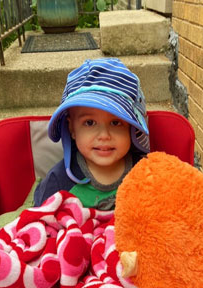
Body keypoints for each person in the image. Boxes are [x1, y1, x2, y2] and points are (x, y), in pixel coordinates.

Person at [33, 57, 150, 210]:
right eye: (89, 123)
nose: (104, 135)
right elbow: (41, 223)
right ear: (72, 129)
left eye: (116, 123)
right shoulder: (58, 182)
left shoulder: (145, 173)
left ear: (132, 130)